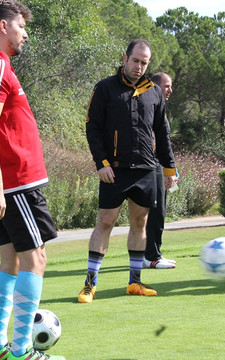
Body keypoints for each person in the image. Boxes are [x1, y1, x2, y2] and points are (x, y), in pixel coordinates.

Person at [0, 1, 64, 359]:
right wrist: (0, 183)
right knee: (36, 259)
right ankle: (21, 352)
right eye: (21, 26)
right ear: (3, 26)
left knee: (12, 262)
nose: (25, 33)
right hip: (17, 184)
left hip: (9, 183)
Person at [79, 39, 177, 303]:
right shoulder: (105, 88)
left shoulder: (154, 92)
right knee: (106, 222)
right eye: (135, 60)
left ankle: (135, 282)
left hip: (146, 169)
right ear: (125, 58)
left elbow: (162, 133)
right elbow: (92, 128)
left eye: (144, 63)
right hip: (114, 170)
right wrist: (102, 163)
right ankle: (90, 285)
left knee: (140, 223)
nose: (139, 66)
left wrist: (169, 169)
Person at [143, 72, 176, 269]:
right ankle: (151, 256)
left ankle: (153, 253)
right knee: (155, 213)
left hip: (160, 167)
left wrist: (171, 169)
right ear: (155, 86)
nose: (170, 90)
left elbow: (165, 143)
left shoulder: (159, 108)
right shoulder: (150, 107)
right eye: (166, 86)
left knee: (159, 212)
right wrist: (166, 170)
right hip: (151, 167)